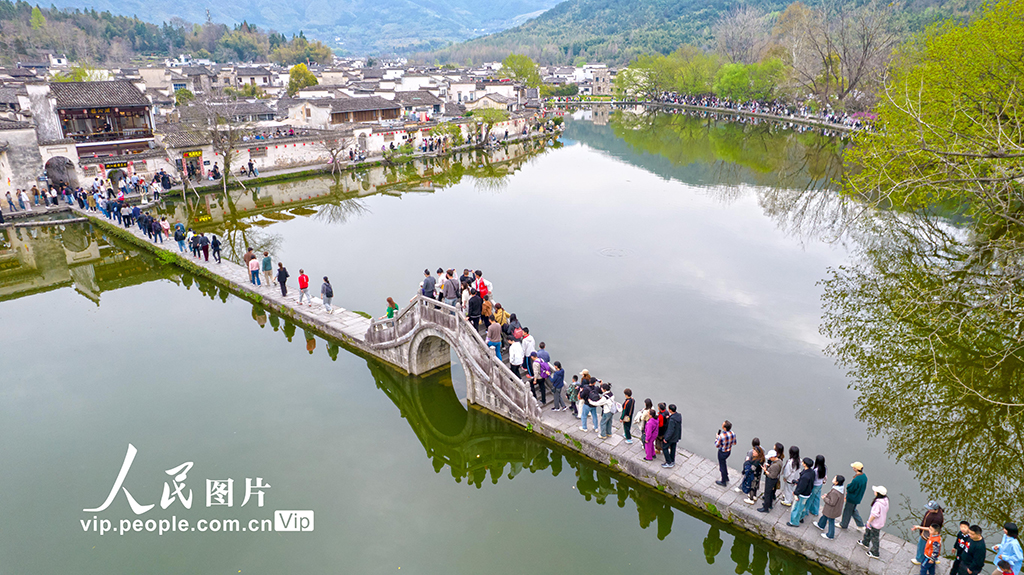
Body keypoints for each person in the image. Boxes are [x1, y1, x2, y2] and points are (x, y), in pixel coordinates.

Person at [859, 486, 889, 559]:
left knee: (875, 537)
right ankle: (865, 542)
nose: (874, 492)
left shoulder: (878, 503)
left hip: (875, 523)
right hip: (880, 521)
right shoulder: (886, 500)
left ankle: (875, 552)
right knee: (868, 531)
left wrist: (869, 522)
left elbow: (874, 514)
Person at [911, 501, 945, 565]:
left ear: (935, 509)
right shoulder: (937, 511)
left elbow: (930, 528)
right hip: (932, 533)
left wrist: (919, 527)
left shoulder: (937, 518)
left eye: (930, 509)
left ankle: (919, 559)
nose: (928, 510)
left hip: (928, 534)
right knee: (932, 547)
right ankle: (935, 558)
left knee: (922, 546)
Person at [787, 458, 815, 527]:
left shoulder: (805, 476)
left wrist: (796, 493)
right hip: (808, 493)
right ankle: (801, 518)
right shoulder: (812, 472)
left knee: (796, 508)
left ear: (805, 464)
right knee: (803, 507)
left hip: (802, 494)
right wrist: (798, 482)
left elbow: (802, 487)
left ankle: (794, 522)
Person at [816, 475, 846, 540]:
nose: (833, 479)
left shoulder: (835, 492)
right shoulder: (841, 488)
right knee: (825, 516)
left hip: (832, 510)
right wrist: (828, 496)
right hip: (836, 508)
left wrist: (825, 498)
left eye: (834, 478)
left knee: (831, 521)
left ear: (837, 482)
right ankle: (820, 525)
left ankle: (830, 535)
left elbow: (832, 502)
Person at [841, 462, 867, 531]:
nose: (853, 468)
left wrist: (848, 485)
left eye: (853, 467)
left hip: (852, 498)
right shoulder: (864, 477)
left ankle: (843, 524)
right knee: (853, 510)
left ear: (856, 469)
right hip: (858, 497)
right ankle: (860, 525)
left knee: (847, 511)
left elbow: (850, 488)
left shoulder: (856, 480)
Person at [739, 438, 765, 504]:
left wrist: (747, 470)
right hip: (758, 474)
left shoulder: (756, 461)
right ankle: (754, 496)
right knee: (756, 485)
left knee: (752, 486)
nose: (753, 452)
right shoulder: (761, 459)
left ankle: (750, 499)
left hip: (754, 475)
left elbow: (752, 469)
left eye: (754, 452)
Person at [714, 420, 736, 487]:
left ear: (724, 428)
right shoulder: (732, 433)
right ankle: (726, 477)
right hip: (728, 451)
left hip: (722, 452)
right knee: (724, 463)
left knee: (722, 466)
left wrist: (717, 438)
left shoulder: (721, 436)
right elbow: (734, 443)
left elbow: (717, 445)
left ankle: (723, 481)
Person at [662, 404, 682, 468]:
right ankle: (672, 461)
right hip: (676, 436)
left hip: (671, 437)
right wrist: (669, 417)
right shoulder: (678, 416)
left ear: (670, 410)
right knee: (673, 448)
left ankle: (668, 462)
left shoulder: (672, 420)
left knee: (664, 448)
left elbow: (671, 430)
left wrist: (666, 438)